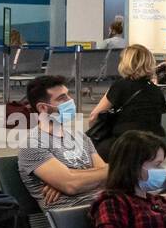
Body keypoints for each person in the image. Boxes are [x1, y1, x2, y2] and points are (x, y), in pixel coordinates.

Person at [18, 74, 108, 209]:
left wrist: (69, 178)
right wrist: (69, 180)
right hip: (73, 217)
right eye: (62, 98)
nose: (70, 100)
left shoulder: (80, 137)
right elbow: (71, 185)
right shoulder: (32, 144)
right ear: (43, 108)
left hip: (104, 206)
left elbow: (107, 177)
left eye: (68, 94)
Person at [87, 44, 166, 161]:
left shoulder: (120, 86)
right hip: (153, 146)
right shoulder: (156, 90)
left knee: (90, 152)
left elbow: (94, 116)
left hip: (125, 145)